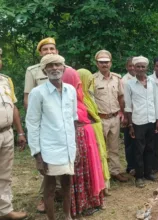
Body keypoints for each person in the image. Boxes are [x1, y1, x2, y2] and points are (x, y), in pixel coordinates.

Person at [26, 54, 78, 220]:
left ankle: (67, 216)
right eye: (50, 66)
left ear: (63, 67)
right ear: (44, 70)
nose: (55, 68)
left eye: (58, 65)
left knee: (67, 184)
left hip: (68, 147)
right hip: (49, 148)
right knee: (49, 188)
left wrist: (75, 146)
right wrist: (37, 154)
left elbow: (74, 118)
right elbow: (32, 123)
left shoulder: (70, 90)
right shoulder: (38, 93)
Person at [62, 68, 105, 217]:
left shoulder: (80, 100)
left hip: (86, 139)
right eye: (78, 85)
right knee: (79, 173)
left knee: (88, 171)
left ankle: (90, 202)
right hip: (77, 140)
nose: (80, 88)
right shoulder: (66, 101)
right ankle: (81, 205)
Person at [23, 38, 60, 212]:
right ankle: (44, 198)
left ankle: (58, 193)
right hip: (44, 125)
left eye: (52, 48)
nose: (49, 51)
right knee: (46, 165)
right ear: (40, 53)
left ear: (57, 51)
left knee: (62, 161)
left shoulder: (62, 67)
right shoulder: (33, 71)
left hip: (60, 124)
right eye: (45, 49)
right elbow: (27, 99)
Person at [124, 56, 158, 188]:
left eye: (143, 66)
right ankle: (139, 176)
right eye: (138, 66)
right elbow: (128, 106)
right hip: (138, 121)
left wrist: (157, 119)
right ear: (134, 68)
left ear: (146, 68)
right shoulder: (129, 84)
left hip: (151, 119)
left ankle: (148, 172)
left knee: (150, 148)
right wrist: (130, 124)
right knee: (139, 149)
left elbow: (156, 101)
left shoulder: (151, 82)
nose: (140, 69)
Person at [0, 48, 28, 220]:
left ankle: (5, 210)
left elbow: (13, 106)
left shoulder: (5, 80)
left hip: (7, 133)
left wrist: (20, 132)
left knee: (5, 174)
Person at [93, 50, 128, 182]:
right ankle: (101, 175)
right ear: (97, 64)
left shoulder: (117, 78)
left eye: (106, 62)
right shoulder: (92, 79)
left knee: (114, 147)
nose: (104, 65)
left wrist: (122, 113)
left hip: (115, 118)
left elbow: (120, 97)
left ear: (110, 63)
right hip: (100, 119)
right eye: (101, 62)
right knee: (99, 148)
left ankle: (115, 171)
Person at [78, 69, 111, 195]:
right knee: (94, 158)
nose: (91, 83)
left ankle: (104, 184)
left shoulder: (88, 97)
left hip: (95, 129)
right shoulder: (78, 98)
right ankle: (98, 186)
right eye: (89, 81)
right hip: (88, 133)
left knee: (102, 155)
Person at [121, 57, 137, 175]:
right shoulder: (124, 80)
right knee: (130, 142)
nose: (132, 68)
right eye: (130, 66)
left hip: (140, 115)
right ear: (127, 67)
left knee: (140, 141)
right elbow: (122, 100)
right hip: (129, 115)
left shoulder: (142, 79)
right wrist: (126, 117)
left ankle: (140, 164)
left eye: (134, 65)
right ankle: (130, 166)